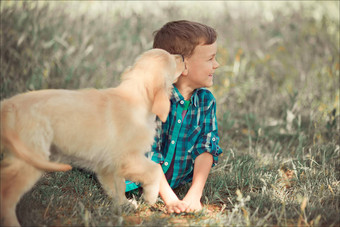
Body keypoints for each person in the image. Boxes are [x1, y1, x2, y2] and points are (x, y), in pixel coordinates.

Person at [125, 20, 222, 213]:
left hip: (175, 178)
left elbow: (207, 147)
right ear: (181, 66)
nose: (216, 65)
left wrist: (195, 194)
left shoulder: (206, 102)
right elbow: (150, 154)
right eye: (210, 59)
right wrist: (170, 199)